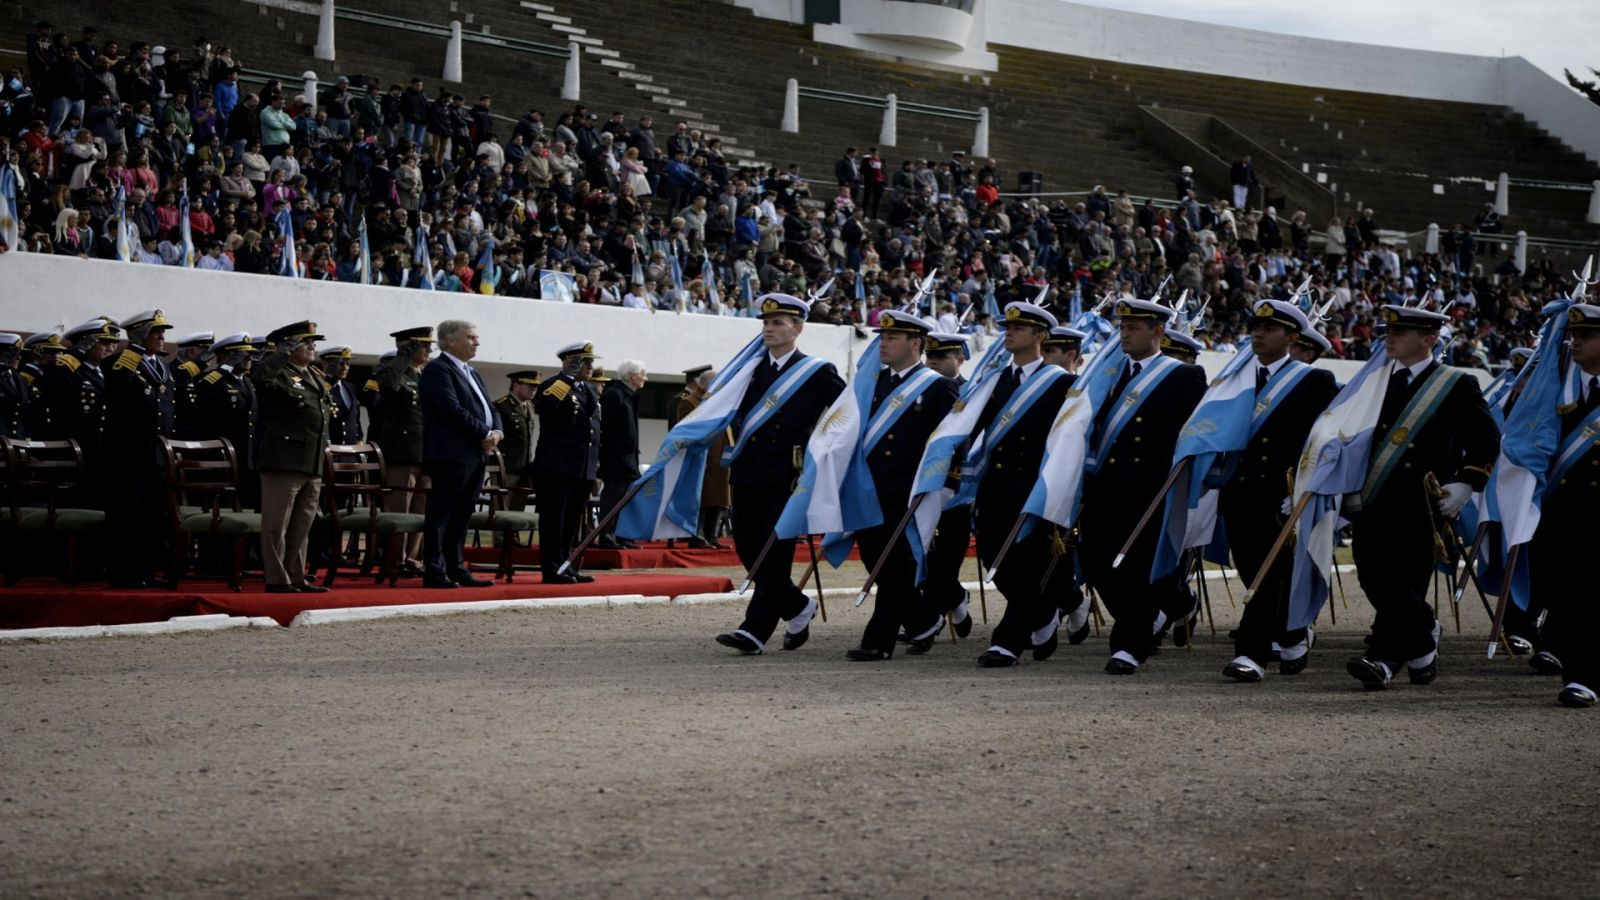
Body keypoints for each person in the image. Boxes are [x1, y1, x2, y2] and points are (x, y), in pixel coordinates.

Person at [1345, 304, 1500, 689]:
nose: (1389, 338)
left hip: (1422, 505)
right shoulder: (1376, 381)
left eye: (1401, 332)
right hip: (1373, 498)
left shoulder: (1454, 383)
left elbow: (1486, 441)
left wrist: (1467, 483)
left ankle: (1382, 659)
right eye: (1388, 332)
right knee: (1371, 576)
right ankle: (1425, 633)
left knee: (1403, 582)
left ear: (1429, 339)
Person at [1077, 298, 1207, 675]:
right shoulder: (1109, 374)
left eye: (1134, 327)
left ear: (1158, 332)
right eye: (1122, 326)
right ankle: (1180, 604)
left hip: (1152, 490)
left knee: (1138, 569)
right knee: (1096, 563)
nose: (1125, 333)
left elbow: (1195, 434)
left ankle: (1130, 644)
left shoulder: (1182, 376)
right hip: (1105, 486)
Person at [1214, 301, 1340, 682]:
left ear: (1292, 337)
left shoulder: (1313, 381)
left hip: (1282, 495)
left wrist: (1306, 486)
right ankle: (1292, 630)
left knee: (1268, 576)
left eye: (1269, 328)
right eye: (1256, 326)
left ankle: (1251, 655)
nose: (1258, 333)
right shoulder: (1234, 376)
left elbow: (1325, 440)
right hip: (1238, 491)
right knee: (1250, 568)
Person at [715, 294, 845, 655]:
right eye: (766, 323)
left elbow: (846, 414)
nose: (769, 329)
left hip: (787, 475)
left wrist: (821, 449)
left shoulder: (818, 371)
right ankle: (797, 606)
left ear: (797, 328)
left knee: (772, 553)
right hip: (746, 469)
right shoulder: (750, 368)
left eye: (778, 323)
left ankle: (754, 631)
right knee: (746, 546)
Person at [844, 312, 959, 661]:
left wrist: (942, 488)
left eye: (893, 338)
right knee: (872, 557)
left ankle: (878, 640)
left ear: (915, 343)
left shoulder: (937, 386)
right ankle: (923, 619)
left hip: (909, 491)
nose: (884, 343)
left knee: (895, 565)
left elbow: (952, 440)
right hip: (869, 487)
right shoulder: (872, 383)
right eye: (882, 337)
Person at [969, 303, 1078, 667]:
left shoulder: (1062, 383)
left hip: (1034, 488)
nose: (1009, 332)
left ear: (1039, 337)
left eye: (1019, 327)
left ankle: (1007, 642)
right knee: (992, 560)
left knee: (1026, 563)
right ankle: (1043, 610)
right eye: (1007, 326)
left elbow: (1068, 441)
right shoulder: (994, 380)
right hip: (994, 487)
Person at [1528, 302, 1600, 707]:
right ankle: (1580, 669)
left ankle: (1584, 677)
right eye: (1572, 334)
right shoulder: (1557, 388)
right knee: (1565, 596)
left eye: (1586, 335)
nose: (1574, 341)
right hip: (1562, 512)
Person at [417, 319, 502, 589]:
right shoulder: (437, 370)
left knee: (463, 513)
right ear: (450, 340)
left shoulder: (472, 372)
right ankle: (435, 571)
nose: (476, 342)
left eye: (476, 337)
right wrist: (484, 434)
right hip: (451, 453)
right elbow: (451, 409)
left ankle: (456, 567)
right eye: (471, 337)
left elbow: (491, 407)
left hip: (475, 453)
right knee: (442, 515)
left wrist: (497, 431)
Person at [253, 321, 332, 594]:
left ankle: (295, 575)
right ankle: (276, 578)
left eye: (313, 342)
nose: (312, 346)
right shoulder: (278, 372)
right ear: (288, 346)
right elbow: (261, 380)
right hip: (283, 459)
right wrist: (280, 355)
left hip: (311, 459)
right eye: (305, 341)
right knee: (277, 524)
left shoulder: (312, 374)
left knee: (303, 523)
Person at [103, 309, 178, 589]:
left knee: (152, 514)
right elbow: (119, 392)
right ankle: (124, 570)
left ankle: (146, 569)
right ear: (139, 335)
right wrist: (132, 350)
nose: (161, 337)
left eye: (162, 332)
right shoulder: (120, 362)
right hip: (130, 452)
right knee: (128, 512)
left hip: (157, 452)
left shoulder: (161, 365)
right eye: (155, 332)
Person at [918, 332, 976, 637]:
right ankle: (954, 598)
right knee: (920, 554)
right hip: (921, 485)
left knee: (945, 558)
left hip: (959, 490)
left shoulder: (976, 393)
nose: (933, 363)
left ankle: (930, 617)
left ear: (960, 359)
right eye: (930, 357)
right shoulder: (922, 390)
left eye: (941, 357)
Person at [534, 342, 602, 584]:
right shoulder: (553, 386)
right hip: (557, 467)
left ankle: (566, 565)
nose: (591, 366)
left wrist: (594, 469)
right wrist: (567, 376)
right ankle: (551, 569)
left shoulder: (588, 391)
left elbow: (593, 433)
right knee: (554, 520)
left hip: (581, 468)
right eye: (585, 362)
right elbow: (546, 405)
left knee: (572, 521)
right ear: (570, 363)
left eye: (591, 362)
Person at [373, 326, 434, 573]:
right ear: (408, 346)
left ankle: (411, 557)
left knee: (421, 510)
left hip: (426, 452)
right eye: (424, 345)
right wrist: (403, 355)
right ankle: (394, 560)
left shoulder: (424, 376)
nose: (429, 350)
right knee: (400, 508)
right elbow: (390, 387)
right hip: (402, 452)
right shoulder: (391, 372)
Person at [195, 333, 258, 500]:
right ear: (224, 356)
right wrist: (225, 368)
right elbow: (203, 390)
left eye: (249, 355)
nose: (248, 358)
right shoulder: (214, 379)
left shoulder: (247, 382)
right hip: (221, 454)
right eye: (241, 354)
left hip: (246, 453)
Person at [596, 359, 647, 550]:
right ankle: (607, 536)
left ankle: (622, 535)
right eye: (643, 374)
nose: (645, 378)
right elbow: (608, 430)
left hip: (629, 459)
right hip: (616, 460)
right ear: (633, 376)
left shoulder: (630, 395)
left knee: (627, 500)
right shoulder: (614, 395)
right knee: (612, 498)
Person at [492, 370, 539, 511]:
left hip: (524, 467)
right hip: (506, 467)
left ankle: (513, 534)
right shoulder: (501, 406)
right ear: (516, 385)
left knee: (517, 509)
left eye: (536, 386)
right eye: (529, 385)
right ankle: (500, 534)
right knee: (501, 507)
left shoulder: (530, 407)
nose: (534, 389)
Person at [168, 331, 212, 439]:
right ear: (191, 352)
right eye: (206, 352)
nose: (210, 357)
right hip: (177, 435)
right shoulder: (170, 371)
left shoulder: (201, 375)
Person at [318, 345, 363, 445]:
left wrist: (359, 440)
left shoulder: (351, 388)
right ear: (325, 364)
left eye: (347, 364)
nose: (345, 368)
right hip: (330, 448)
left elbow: (355, 419)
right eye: (341, 364)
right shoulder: (319, 386)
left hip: (351, 450)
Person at [0, 334, 28, 438]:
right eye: (13, 353)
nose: (19, 357)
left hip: (18, 438)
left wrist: (27, 436)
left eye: (19, 353)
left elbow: (25, 412)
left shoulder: (21, 380)